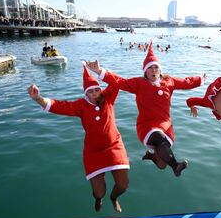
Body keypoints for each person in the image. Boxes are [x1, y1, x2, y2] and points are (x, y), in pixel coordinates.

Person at [86, 41, 206, 177]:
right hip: (146, 125)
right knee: (158, 138)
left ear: (160, 70)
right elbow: (119, 82)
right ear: (145, 71)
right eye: (150, 68)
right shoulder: (139, 83)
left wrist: (200, 79)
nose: (153, 70)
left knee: (161, 165)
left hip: (165, 124)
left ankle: (152, 156)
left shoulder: (169, 81)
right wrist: (100, 71)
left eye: (156, 67)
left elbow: (186, 82)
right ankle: (176, 166)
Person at [27, 65, 130, 212]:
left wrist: (99, 71)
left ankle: (114, 198)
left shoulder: (108, 98)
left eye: (97, 90)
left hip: (114, 146)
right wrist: (38, 98)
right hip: (93, 152)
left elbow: (117, 82)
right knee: (99, 192)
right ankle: (98, 199)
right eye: (91, 91)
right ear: (86, 95)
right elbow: (58, 106)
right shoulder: (81, 106)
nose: (95, 93)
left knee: (123, 185)